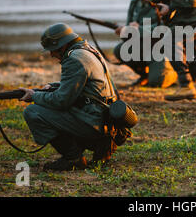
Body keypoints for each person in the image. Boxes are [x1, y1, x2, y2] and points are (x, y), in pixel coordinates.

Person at [19, 23, 132, 171]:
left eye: (53, 50)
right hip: (105, 119)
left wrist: (35, 96)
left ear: (62, 46)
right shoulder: (87, 50)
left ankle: (73, 158)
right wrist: (54, 86)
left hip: (95, 123)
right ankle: (102, 144)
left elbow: (61, 101)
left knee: (32, 112)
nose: (52, 55)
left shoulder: (74, 59)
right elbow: (87, 85)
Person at [113, 0, 178, 88]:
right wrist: (124, 31)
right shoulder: (134, 5)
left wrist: (138, 29)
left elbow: (163, 29)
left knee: (156, 83)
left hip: (158, 49)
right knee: (120, 49)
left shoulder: (160, 5)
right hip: (142, 45)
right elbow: (131, 31)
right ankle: (145, 75)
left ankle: (175, 74)